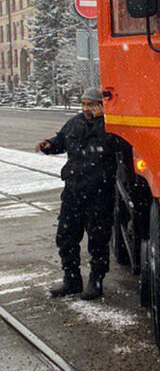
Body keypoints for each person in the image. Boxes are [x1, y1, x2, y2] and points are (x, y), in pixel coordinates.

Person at [36, 87, 116, 300]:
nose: (86, 109)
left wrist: (101, 122)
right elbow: (61, 140)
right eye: (83, 104)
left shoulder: (110, 126)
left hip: (99, 192)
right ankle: (71, 280)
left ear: (101, 106)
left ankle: (96, 281)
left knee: (98, 239)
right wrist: (48, 145)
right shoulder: (75, 123)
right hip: (73, 190)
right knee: (66, 236)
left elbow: (115, 146)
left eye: (91, 104)